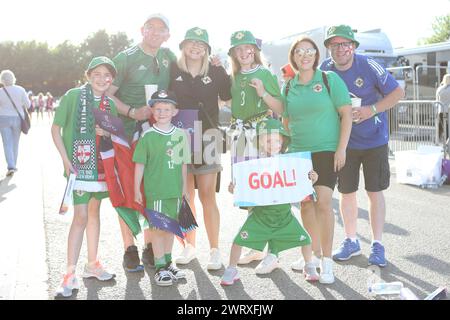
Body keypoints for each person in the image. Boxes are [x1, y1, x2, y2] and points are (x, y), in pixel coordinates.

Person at [320, 25, 404, 267]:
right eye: (334, 45)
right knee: (347, 193)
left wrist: (371, 110)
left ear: (354, 46)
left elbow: (397, 92)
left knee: (374, 192)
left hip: (374, 140)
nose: (340, 49)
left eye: (345, 44)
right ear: (329, 49)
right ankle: (351, 240)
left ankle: (377, 244)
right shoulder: (324, 69)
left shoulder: (368, 64)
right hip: (344, 143)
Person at [108, 13, 177, 272]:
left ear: (167, 35)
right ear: (142, 30)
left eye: (162, 29)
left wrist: (214, 61)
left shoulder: (169, 57)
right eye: (151, 28)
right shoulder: (125, 58)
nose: (156, 32)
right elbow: (107, 94)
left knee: (153, 191)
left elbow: (194, 64)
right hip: (126, 134)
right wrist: (131, 111)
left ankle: (150, 247)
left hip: (156, 134)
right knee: (127, 191)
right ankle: (130, 249)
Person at [282, 36, 352, 284]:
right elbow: (286, 119)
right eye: (299, 51)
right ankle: (310, 256)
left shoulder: (329, 79)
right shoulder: (289, 86)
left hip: (325, 151)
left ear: (315, 55)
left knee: (323, 203)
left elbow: (346, 115)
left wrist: (341, 149)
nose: (304, 55)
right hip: (299, 153)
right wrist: (284, 149)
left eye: (309, 51)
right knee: (305, 205)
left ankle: (327, 261)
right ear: (294, 57)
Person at [221, 118, 319, 285]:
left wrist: (312, 178)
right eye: (267, 140)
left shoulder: (290, 162)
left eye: (277, 140)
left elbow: (304, 185)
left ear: (283, 142)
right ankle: (231, 269)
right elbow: (241, 187)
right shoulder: (252, 164)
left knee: (306, 239)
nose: (273, 144)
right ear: (259, 142)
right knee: (238, 240)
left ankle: (309, 266)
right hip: (259, 217)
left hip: (284, 217)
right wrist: (234, 188)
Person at [51, 56, 118, 298]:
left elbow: (114, 135)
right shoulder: (72, 96)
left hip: (100, 168)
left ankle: (92, 264)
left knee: (94, 213)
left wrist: (106, 132)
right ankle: (69, 273)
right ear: (88, 75)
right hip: (79, 167)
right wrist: (64, 159)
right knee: (79, 216)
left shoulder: (108, 103)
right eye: (97, 74)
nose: (102, 79)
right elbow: (56, 129)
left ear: (111, 79)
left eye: (107, 75)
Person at [169, 27, 232, 270]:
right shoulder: (173, 69)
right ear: (183, 46)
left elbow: (228, 97)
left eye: (201, 44)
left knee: (208, 196)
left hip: (208, 135)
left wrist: (223, 67)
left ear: (207, 49)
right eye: (191, 42)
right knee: (185, 197)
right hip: (180, 135)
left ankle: (215, 250)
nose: (195, 47)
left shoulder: (216, 70)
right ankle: (189, 246)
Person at [228, 30, 284, 266]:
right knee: (250, 193)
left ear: (255, 49)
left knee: (269, 192)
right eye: (238, 49)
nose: (243, 52)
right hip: (240, 136)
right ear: (233, 53)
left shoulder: (264, 73)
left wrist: (262, 92)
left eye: (247, 47)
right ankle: (255, 247)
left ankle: (274, 251)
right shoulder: (232, 76)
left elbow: (281, 108)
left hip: (262, 136)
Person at [133, 90, 190, 286]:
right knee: (158, 229)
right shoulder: (148, 135)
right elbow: (139, 164)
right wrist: (136, 189)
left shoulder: (181, 135)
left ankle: (168, 262)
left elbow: (183, 164)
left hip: (174, 190)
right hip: (156, 190)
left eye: (167, 109)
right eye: (158, 109)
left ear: (175, 111)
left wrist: (185, 190)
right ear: (152, 111)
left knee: (170, 228)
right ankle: (159, 267)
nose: (162, 112)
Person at [0, 70, 30, 177]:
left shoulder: (0, 91)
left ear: (2, 80)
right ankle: (13, 166)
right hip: (18, 118)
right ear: (13, 78)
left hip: (3, 119)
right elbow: (28, 105)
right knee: (15, 143)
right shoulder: (20, 90)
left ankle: (11, 166)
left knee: (7, 143)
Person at [436, 74, 450, 142]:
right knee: (448, 126)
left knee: (440, 126)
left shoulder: (439, 89)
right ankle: (447, 140)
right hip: (449, 110)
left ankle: (437, 139)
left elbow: (437, 100)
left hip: (441, 110)